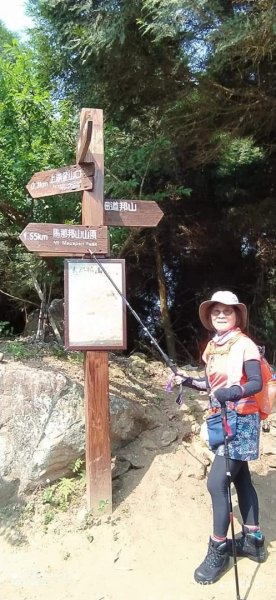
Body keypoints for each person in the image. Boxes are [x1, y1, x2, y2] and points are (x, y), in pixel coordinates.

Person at [175, 290, 266, 585]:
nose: (221, 315)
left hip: (242, 420)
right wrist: (186, 380)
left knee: (217, 483)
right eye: (216, 311)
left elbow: (255, 382)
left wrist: (231, 393)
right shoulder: (213, 348)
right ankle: (253, 540)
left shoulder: (245, 345)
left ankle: (218, 549)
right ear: (210, 317)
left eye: (227, 310)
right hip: (223, 419)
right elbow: (211, 385)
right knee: (242, 479)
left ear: (237, 315)